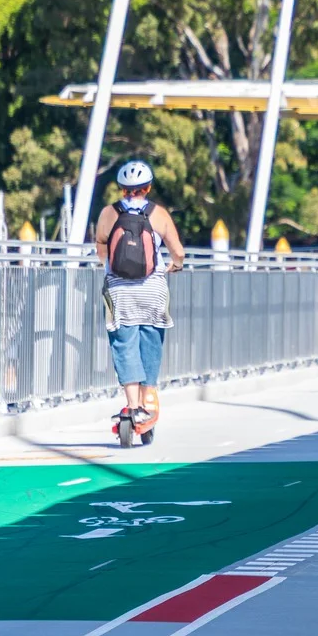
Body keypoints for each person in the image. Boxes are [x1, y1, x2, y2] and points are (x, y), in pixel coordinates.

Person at [93, 159, 186, 444]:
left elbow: (101, 249)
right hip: (152, 289)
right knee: (151, 340)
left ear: (122, 189)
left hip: (120, 291)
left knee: (124, 344)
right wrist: (175, 265)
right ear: (148, 188)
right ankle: (149, 400)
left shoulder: (109, 213)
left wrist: (113, 269)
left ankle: (132, 406)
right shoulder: (159, 214)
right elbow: (178, 251)